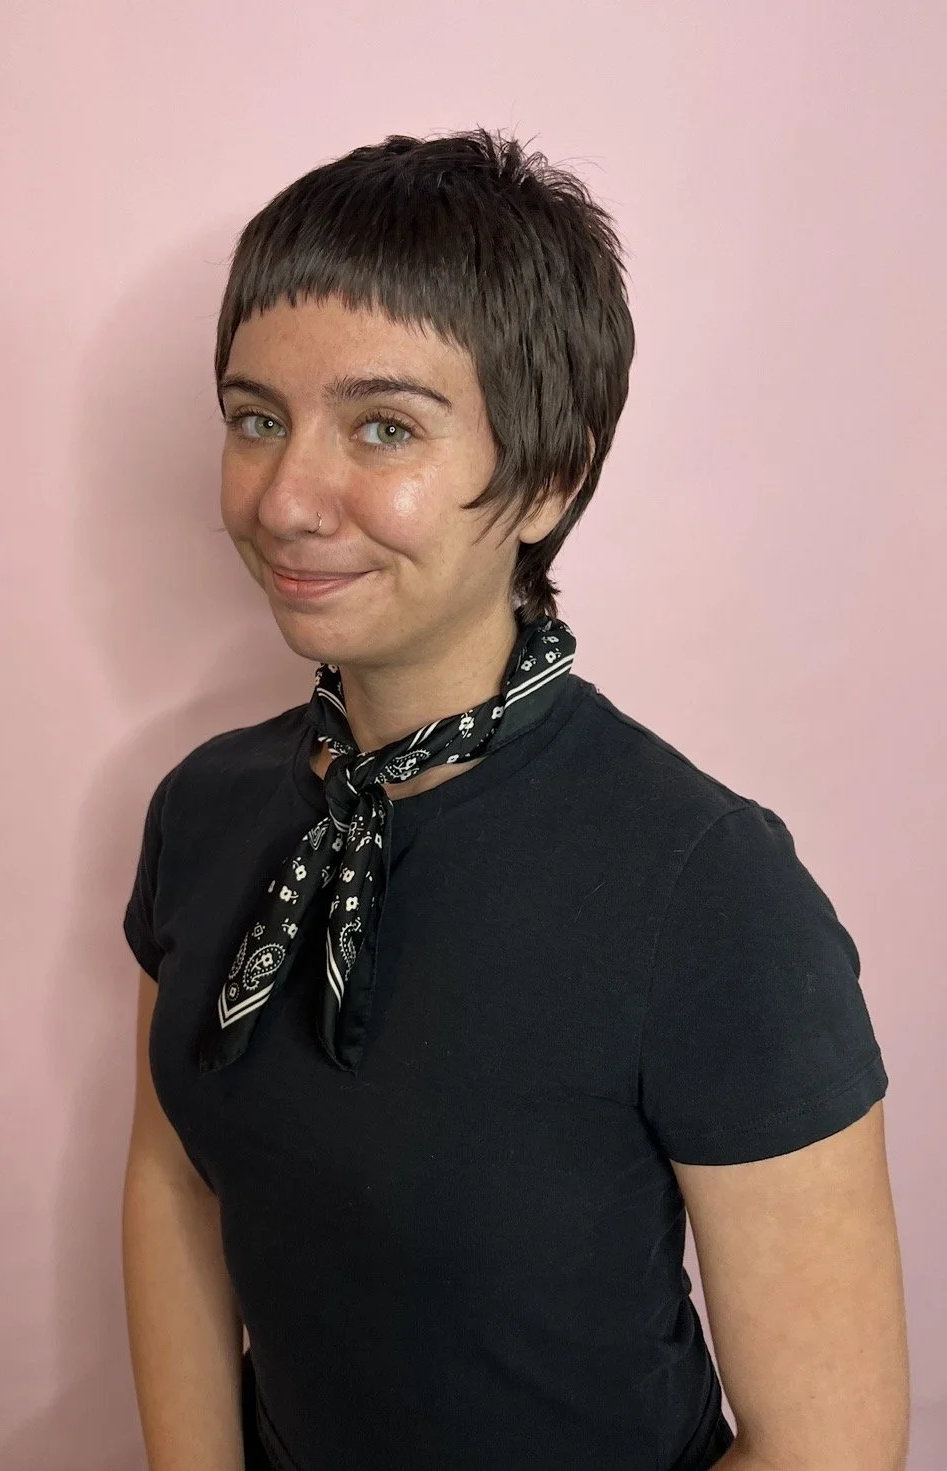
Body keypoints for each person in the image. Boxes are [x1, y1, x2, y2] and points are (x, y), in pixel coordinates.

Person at [120, 129, 909, 1471]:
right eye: (256, 418)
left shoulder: (707, 890)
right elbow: (174, 1182)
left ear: (550, 476)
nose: (287, 498)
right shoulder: (202, 810)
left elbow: (826, 1447)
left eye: (383, 426)